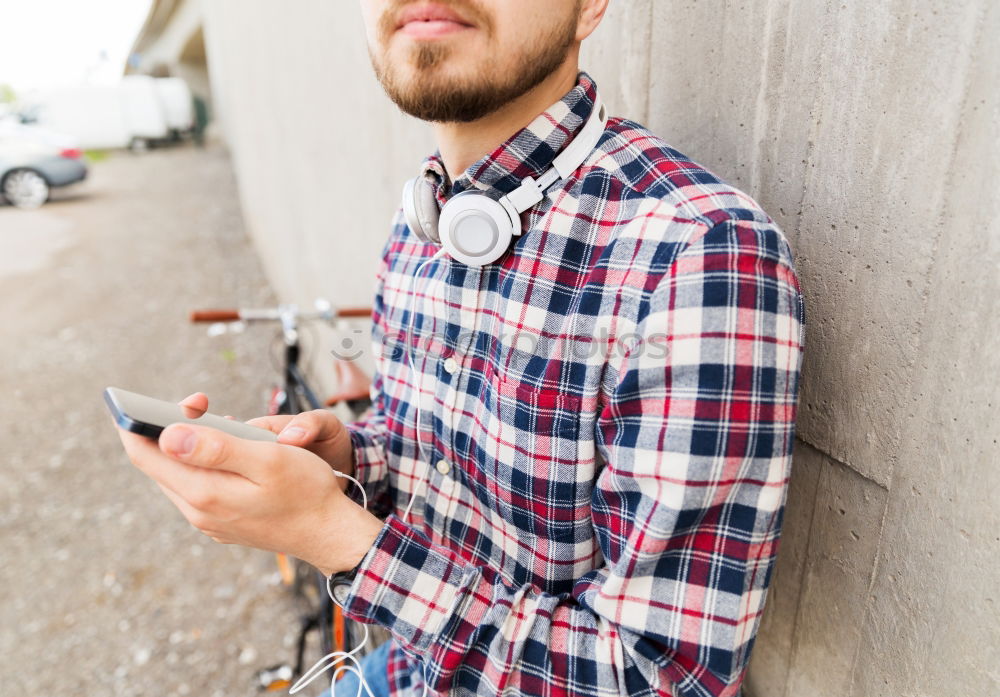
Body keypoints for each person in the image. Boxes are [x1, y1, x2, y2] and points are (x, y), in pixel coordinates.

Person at [115, 1, 805, 695]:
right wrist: (352, 458)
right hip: (404, 668)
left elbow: (660, 677)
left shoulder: (699, 255)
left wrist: (332, 535)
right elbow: (436, 462)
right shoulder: (427, 212)